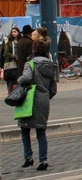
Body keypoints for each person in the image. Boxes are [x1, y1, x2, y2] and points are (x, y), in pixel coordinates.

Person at [17, 35, 58, 171]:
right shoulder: (51, 65)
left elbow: (26, 78)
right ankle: (43, 160)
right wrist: (45, 96)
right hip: (44, 99)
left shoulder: (31, 64)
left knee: (25, 128)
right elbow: (53, 89)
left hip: (30, 100)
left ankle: (28, 157)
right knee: (41, 132)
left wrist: (19, 80)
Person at [3, 26, 20, 93]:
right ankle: (10, 91)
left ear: (18, 32)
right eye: (12, 32)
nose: (13, 33)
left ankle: (14, 91)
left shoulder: (20, 41)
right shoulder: (8, 41)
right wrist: (15, 57)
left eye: (15, 32)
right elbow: (6, 53)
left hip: (18, 62)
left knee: (16, 77)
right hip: (10, 62)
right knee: (10, 77)